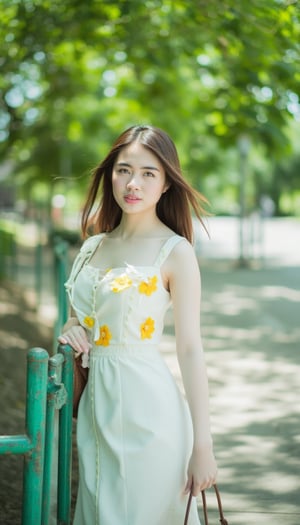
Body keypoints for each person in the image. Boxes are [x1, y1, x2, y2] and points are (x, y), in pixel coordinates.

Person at [58, 124, 218, 525]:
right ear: (110, 173)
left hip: (151, 413)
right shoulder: (92, 246)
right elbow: (80, 317)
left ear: (166, 184)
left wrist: (204, 444)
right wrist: (70, 328)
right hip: (96, 411)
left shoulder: (175, 252)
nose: (133, 183)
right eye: (124, 170)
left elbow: (190, 348)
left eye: (149, 173)